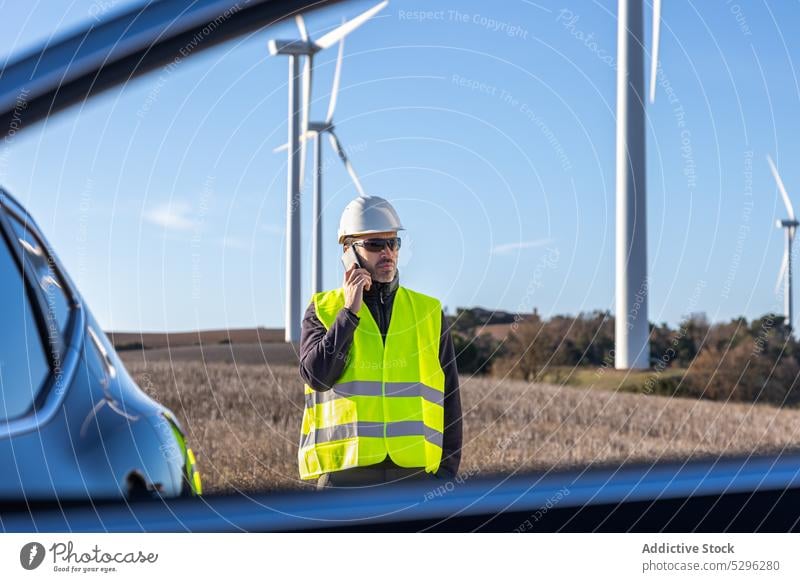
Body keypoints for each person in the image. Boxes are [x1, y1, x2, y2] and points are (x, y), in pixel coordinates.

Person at [298, 195, 463, 490]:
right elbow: (317, 377)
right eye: (375, 244)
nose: (387, 252)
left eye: (393, 243)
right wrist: (348, 314)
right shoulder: (323, 309)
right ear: (348, 251)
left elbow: (450, 399)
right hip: (344, 477)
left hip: (415, 477)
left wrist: (446, 475)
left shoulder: (428, 312)